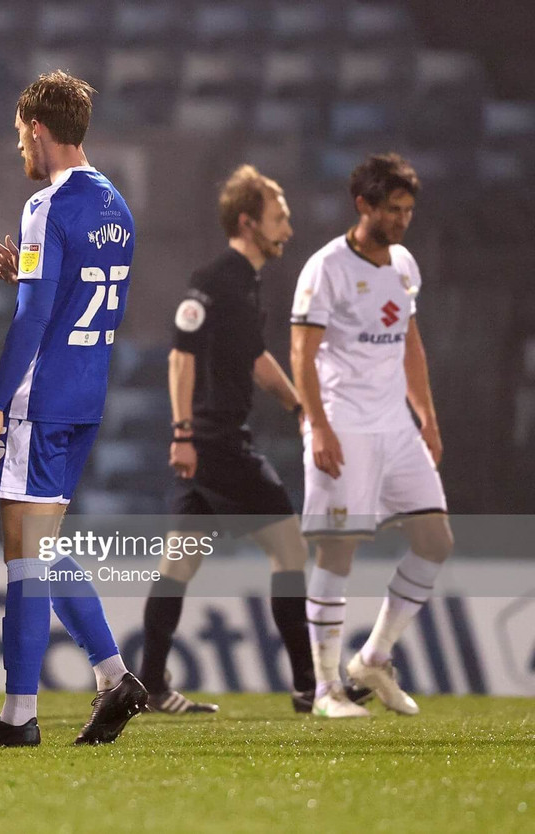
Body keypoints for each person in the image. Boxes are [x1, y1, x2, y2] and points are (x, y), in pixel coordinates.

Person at [0, 71, 146, 746]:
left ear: (37, 129)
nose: (21, 146)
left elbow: (34, 317)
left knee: (23, 556)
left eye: (20, 134)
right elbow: (93, 299)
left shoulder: (46, 207)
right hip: (86, 393)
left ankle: (18, 717)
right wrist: (33, 275)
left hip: (37, 398)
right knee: (44, 547)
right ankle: (112, 676)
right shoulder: (117, 206)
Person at [138, 165, 319, 714]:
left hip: (214, 439)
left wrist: (297, 405)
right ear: (248, 221)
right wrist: (183, 433)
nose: (287, 226)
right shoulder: (216, 277)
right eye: (278, 217)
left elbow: (255, 356)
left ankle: (148, 686)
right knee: (289, 550)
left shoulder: (245, 281)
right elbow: (179, 357)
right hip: (216, 441)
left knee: (178, 563)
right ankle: (311, 686)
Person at [290, 152, 452, 718]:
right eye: (393, 209)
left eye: (408, 210)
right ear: (363, 205)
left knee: (436, 542)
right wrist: (319, 426)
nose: (403, 220)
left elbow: (410, 344)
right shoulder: (327, 268)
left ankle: (374, 658)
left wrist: (426, 416)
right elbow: (301, 354)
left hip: (396, 428)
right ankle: (326, 689)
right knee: (339, 552)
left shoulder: (404, 264)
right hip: (346, 426)